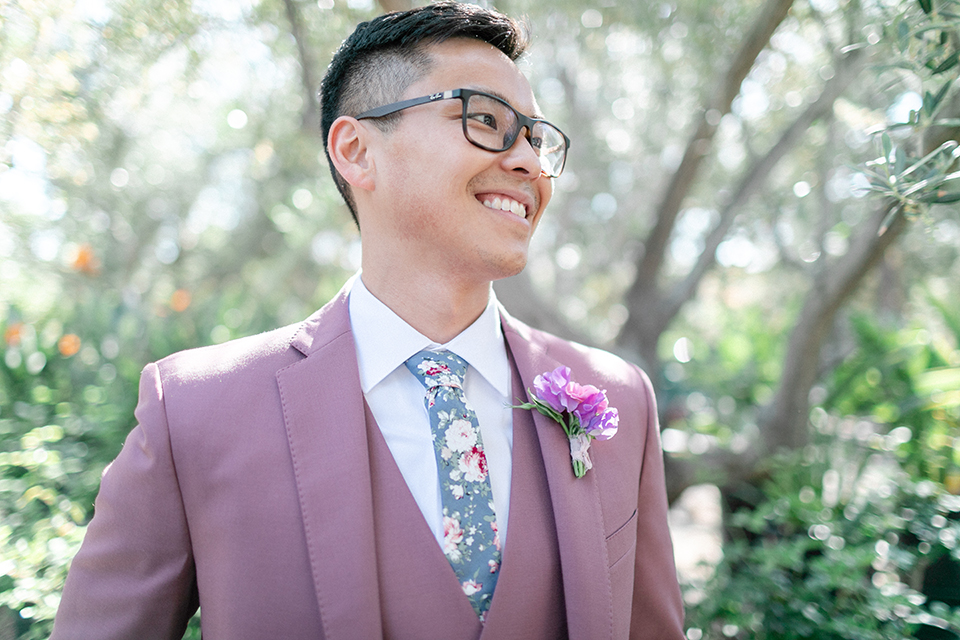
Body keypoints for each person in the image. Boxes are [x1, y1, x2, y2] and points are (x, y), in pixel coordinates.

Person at [51, 3, 685, 639]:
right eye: (486, 120)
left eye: (535, 138)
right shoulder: (195, 410)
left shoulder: (618, 401)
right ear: (355, 151)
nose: (528, 162)